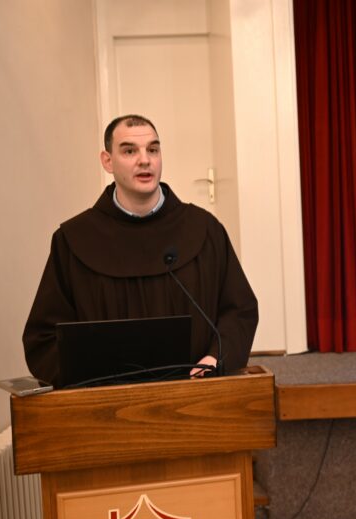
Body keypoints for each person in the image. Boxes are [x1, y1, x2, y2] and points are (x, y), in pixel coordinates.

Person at [23, 114, 258, 387]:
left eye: (153, 150)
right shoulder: (73, 239)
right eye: (129, 151)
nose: (145, 160)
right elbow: (45, 338)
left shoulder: (204, 230)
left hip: (195, 393)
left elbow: (239, 311)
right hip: (106, 402)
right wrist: (89, 378)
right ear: (107, 161)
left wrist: (216, 359)